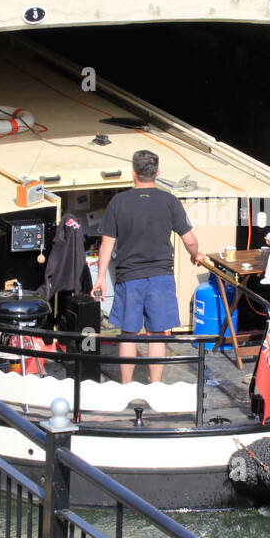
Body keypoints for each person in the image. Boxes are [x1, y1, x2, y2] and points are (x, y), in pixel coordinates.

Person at [91, 149, 202, 383]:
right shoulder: (170, 201)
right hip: (160, 277)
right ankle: (156, 387)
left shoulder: (118, 202)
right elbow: (189, 239)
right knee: (157, 333)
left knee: (129, 334)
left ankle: (126, 386)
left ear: (133, 173)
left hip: (129, 277)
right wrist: (195, 254)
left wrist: (100, 277)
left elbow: (106, 245)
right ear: (157, 172)